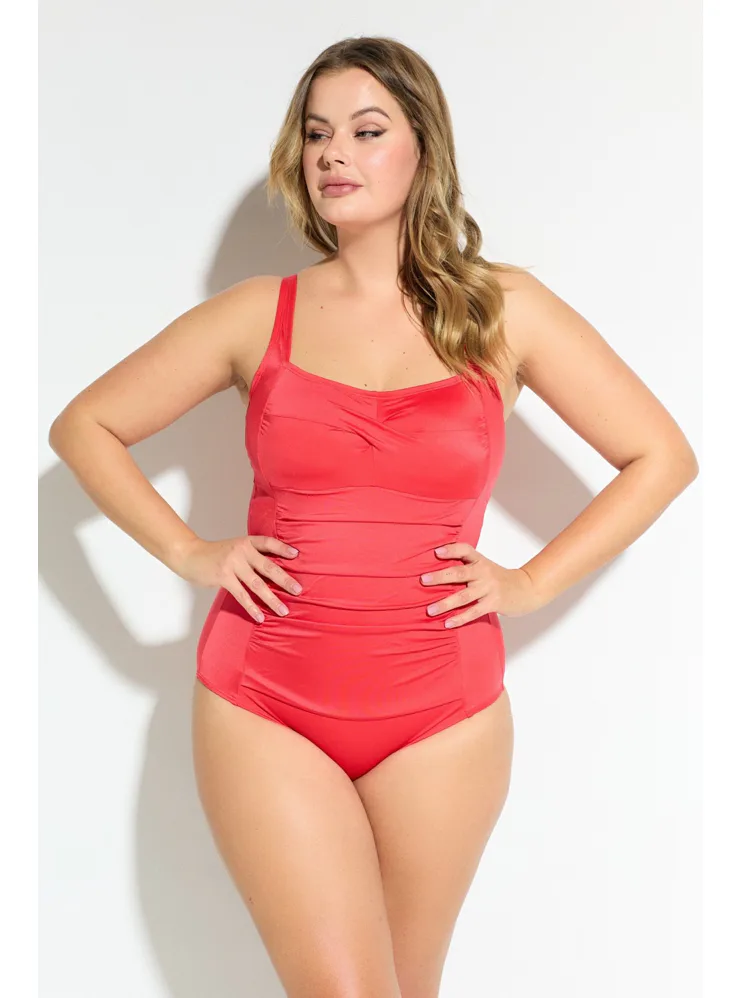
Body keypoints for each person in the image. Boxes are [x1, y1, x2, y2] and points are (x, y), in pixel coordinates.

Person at [48, 35, 699, 998]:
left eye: (365, 130)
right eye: (316, 134)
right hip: (265, 701)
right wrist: (187, 552)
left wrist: (529, 581)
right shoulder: (255, 313)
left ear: (423, 148)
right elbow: (86, 426)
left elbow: (662, 456)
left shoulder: (503, 309)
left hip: (444, 718)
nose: (333, 155)